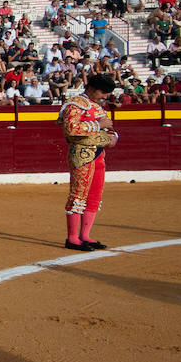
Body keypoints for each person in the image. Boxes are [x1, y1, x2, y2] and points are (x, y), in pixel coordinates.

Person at [60, 74, 118, 251]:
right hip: (82, 154)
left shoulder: (97, 108)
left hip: (99, 155)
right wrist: (98, 126)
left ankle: (85, 235)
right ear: (91, 88)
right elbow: (71, 129)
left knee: (94, 196)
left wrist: (114, 136)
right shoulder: (75, 105)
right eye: (102, 92)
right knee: (78, 195)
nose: (105, 97)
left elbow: (110, 129)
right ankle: (72, 238)